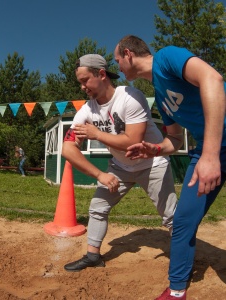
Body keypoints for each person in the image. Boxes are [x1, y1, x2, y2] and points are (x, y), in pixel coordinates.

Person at [114, 35, 226, 300]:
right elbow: (174, 139)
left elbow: (213, 79)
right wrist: (153, 149)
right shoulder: (160, 95)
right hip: (210, 150)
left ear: (128, 54)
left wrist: (210, 155)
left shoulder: (167, 57)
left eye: (117, 59)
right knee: (183, 219)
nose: (117, 66)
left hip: (211, 150)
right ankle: (176, 291)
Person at [61, 53, 178, 272]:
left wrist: (96, 134)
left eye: (85, 80)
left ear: (102, 74)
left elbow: (133, 141)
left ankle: (182, 261)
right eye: (80, 83)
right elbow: (67, 148)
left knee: (170, 216)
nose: (82, 87)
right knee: (97, 208)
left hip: (152, 164)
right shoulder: (87, 109)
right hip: (120, 167)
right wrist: (100, 175)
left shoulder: (130, 97)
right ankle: (92, 256)